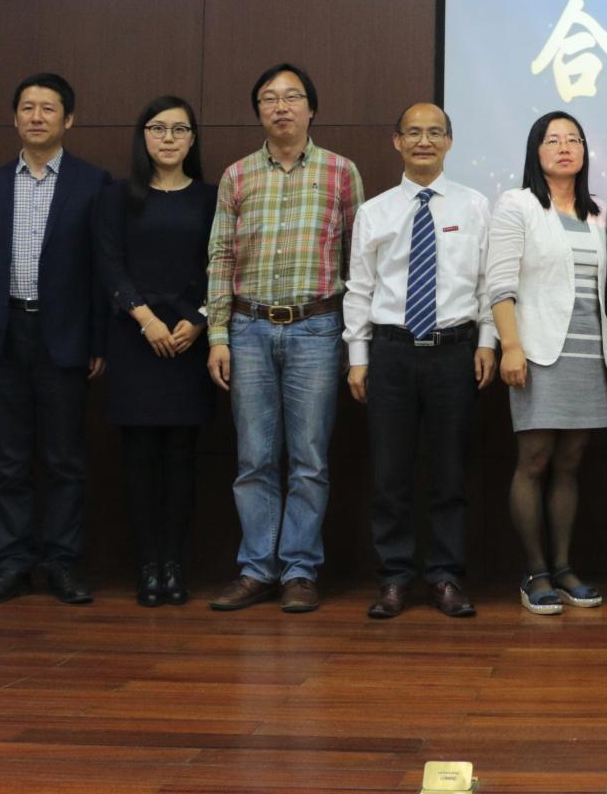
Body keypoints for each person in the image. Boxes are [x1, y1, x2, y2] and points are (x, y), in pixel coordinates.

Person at [206, 63, 361, 616]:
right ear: (258, 112)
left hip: (317, 327)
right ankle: (256, 569)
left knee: (310, 458)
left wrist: (354, 339)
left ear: (311, 108)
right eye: (269, 98)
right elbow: (220, 255)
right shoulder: (237, 175)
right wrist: (217, 334)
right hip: (247, 328)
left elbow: (356, 259)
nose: (281, 106)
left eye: (292, 97)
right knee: (254, 457)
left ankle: (299, 569)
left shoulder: (341, 172)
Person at [0, 72, 111, 606]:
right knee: (9, 459)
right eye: (27, 107)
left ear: (68, 119)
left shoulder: (93, 183)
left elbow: (101, 270)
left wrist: (98, 340)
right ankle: (13, 563)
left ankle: (62, 563)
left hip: (64, 335)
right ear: (15, 118)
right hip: (3, 333)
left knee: (65, 459)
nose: (37, 116)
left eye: (48, 108)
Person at [345, 103, 496, 618]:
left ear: (449, 141)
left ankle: (446, 576)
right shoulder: (376, 211)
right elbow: (360, 288)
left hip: (454, 352)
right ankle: (393, 578)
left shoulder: (475, 206)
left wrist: (487, 343)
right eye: (414, 132)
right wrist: (358, 356)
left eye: (435, 132)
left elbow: (487, 284)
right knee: (390, 474)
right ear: (397, 141)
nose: (424, 141)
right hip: (390, 352)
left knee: (449, 473)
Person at [486, 111, 607, 615]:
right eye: (553, 140)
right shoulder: (518, 204)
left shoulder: (595, 214)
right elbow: (500, 283)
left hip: (586, 351)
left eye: (574, 139)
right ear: (535, 151)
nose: (565, 147)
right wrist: (510, 346)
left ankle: (563, 568)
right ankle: (535, 571)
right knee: (534, 460)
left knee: (570, 462)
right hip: (536, 349)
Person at [92, 96, 215, 608]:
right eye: (158, 128)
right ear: (143, 136)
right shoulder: (117, 196)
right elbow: (108, 263)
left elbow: (221, 263)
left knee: (182, 457)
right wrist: (145, 319)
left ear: (192, 139)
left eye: (179, 129)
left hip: (189, 340)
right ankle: (147, 566)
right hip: (134, 338)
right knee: (139, 457)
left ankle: (174, 566)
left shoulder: (211, 198)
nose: (168, 138)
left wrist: (198, 319)